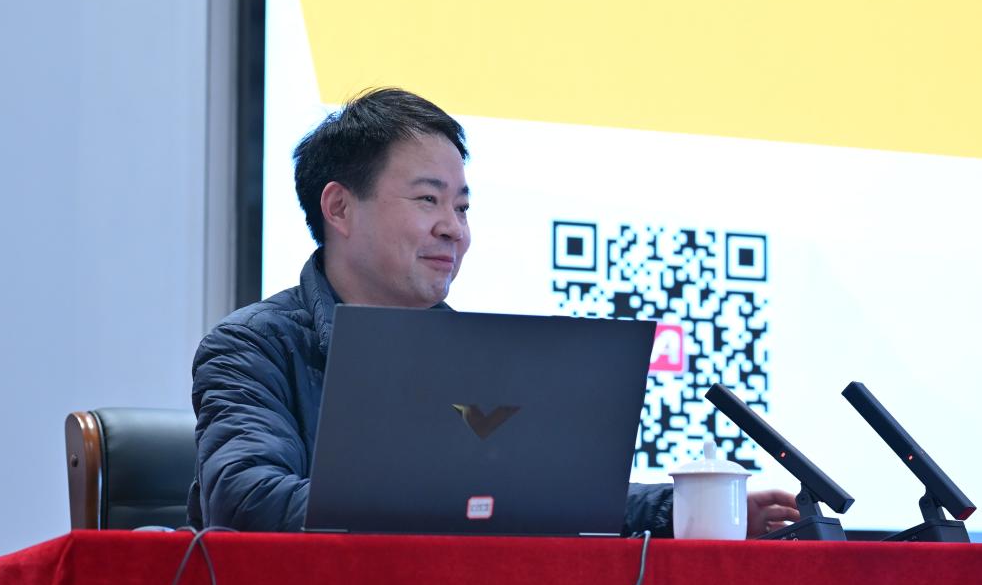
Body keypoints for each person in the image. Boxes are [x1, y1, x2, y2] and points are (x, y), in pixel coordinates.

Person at [188, 87, 799, 536]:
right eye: (428, 200)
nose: (452, 229)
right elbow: (245, 499)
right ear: (340, 208)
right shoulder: (253, 347)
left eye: (462, 207)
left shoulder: (475, 353)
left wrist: (684, 510)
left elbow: (554, 495)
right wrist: (445, 501)